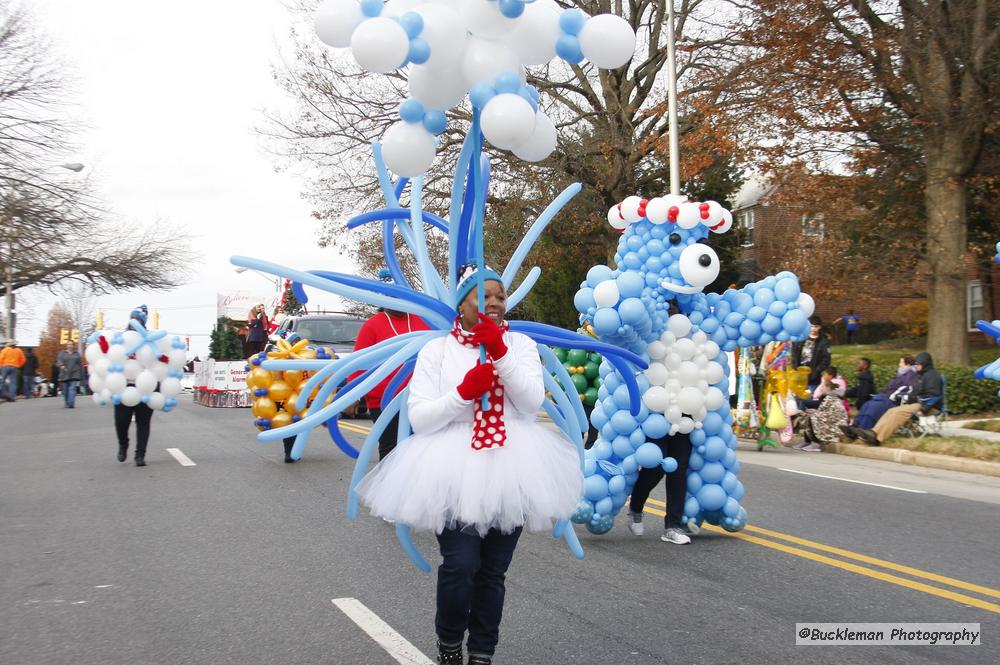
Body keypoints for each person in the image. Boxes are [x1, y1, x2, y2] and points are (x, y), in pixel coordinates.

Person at [355, 265, 582, 665]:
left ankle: (482, 652)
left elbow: (530, 404)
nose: (494, 302)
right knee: (461, 567)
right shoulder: (437, 350)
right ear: (461, 303)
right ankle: (448, 644)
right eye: (484, 295)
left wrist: (499, 352)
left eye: (500, 296)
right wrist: (462, 394)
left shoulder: (522, 345)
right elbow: (422, 417)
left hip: (512, 466)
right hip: (452, 469)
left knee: (493, 573)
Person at [347, 307, 430, 460]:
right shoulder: (372, 325)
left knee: (420, 450)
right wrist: (354, 395)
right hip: (383, 400)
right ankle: (388, 484)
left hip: (420, 397)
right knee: (390, 450)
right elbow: (360, 362)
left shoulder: (424, 321)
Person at [850, 352, 942, 445]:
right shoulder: (922, 375)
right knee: (891, 411)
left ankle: (878, 438)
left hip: (928, 407)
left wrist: (924, 410)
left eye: (918, 364)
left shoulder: (932, 376)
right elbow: (916, 392)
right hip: (918, 403)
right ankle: (873, 432)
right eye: (916, 364)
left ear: (925, 364)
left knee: (898, 413)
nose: (916, 366)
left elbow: (935, 396)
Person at [840, 355, 919, 438]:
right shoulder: (901, 374)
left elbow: (908, 389)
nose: (899, 364)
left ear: (908, 364)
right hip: (885, 397)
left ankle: (863, 429)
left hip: (893, 400)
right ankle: (854, 427)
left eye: (901, 362)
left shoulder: (911, 375)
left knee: (874, 407)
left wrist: (893, 395)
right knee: (867, 405)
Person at [114, 308, 155, 466]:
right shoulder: (121, 338)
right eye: (134, 320)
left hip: (145, 387)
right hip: (123, 387)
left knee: (143, 422)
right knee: (121, 422)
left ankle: (140, 454)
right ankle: (123, 444)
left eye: (139, 321)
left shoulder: (150, 339)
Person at [794, 367, 849, 451]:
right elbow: (823, 411)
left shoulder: (831, 398)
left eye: (823, 387)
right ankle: (807, 441)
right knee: (809, 416)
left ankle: (815, 443)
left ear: (828, 388)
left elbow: (825, 413)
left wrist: (810, 413)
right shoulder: (829, 397)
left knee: (811, 418)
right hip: (829, 418)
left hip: (835, 423)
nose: (821, 389)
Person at [792, 317, 831, 390]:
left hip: (813, 376)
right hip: (799, 372)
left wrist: (816, 371)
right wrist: (795, 366)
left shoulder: (823, 342)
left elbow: (826, 360)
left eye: (816, 326)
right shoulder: (801, 339)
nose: (813, 329)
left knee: (809, 397)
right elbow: (794, 353)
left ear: (820, 327)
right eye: (811, 326)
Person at [56, 343, 83, 408]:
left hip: (74, 373)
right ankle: (66, 402)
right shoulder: (62, 353)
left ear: (73, 346)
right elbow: (59, 361)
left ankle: (71, 403)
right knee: (65, 389)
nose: (70, 345)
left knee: (72, 388)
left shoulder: (76, 354)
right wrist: (61, 365)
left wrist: (81, 374)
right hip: (65, 373)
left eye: (71, 344)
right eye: (69, 344)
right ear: (67, 346)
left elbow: (80, 364)